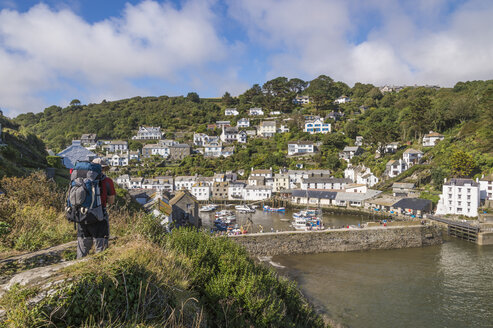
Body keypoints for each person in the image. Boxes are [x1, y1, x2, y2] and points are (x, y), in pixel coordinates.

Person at [76, 158, 116, 259]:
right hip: (99, 216)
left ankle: (78, 270)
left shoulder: (80, 179)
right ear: (102, 169)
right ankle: (100, 269)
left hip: (81, 216)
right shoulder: (107, 181)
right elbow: (111, 201)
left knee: (82, 249)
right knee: (101, 248)